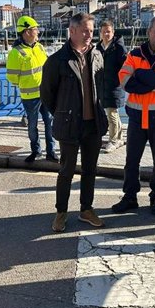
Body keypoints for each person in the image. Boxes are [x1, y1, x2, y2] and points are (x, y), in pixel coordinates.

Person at [40, 12, 108, 233]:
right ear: (72, 31)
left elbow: (102, 86)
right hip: (70, 124)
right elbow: (47, 96)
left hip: (93, 124)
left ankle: (86, 209)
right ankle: (61, 212)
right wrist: (63, 113)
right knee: (66, 171)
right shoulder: (57, 60)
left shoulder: (97, 56)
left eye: (91, 30)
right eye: (85, 30)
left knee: (90, 170)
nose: (90, 35)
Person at [111, 16, 155, 216]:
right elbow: (124, 79)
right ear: (149, 32)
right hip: (136, 117)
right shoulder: (135, 54)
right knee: (131, 160)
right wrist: (153, 80)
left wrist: (140, 74)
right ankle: (129, 197)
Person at [6, 15, 57, 163]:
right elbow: (12, 77)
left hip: (45, 93)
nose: (38, 32)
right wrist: (27, 83)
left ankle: (51, 152)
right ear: (27, 32)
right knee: (32, 126)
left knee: (50, 123)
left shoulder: (40, 47)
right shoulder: (16, 53)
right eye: (35, 29)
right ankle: (36, 151)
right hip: (30, 96)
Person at [96, 20, 127, 153]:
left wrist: (120, 79)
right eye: (103, 32)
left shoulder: (118, 47)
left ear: (113, 32)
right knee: (112, 113)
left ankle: (113, 140)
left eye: (108, 31)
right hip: (102, 86)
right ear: (100, 33)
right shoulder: (98, 47)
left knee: (111, 114)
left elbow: (125, 65)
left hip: (114, 85)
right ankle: (119, 138)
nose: (106, 34)